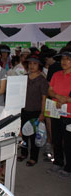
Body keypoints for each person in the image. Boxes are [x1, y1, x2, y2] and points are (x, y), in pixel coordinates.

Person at [17, 54, 48, 167]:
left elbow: (44, 98)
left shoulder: (42, 80)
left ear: (39, 65)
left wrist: (42, 113)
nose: (32, 66)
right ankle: (24, 153)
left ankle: (33, 157)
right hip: (24, 110)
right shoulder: (24, 77)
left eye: (34, 63)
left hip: (36, 111)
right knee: (23, 135)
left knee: (35, 136)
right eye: (30, 63)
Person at [46, 47, 71, 179]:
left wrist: (66, 99)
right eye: (62, 59)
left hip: (69, 114)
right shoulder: (56, 74)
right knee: (56, 138)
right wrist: (57, 96)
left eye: (68, 59)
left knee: (68, 141)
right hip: (56, 111)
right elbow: (50, 90)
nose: (64, 61)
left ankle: (68, 167)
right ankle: (58, 162)